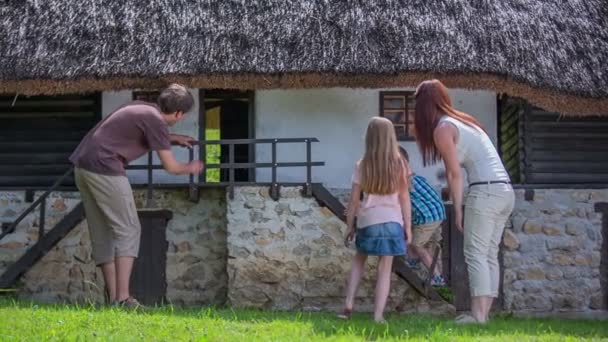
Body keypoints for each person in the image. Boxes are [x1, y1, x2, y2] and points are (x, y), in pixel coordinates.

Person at [69, 84, 204, 308]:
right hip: (104, 167)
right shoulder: (156, 121)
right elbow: (170, 166)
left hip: (83, 167)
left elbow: (142, 132)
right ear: (179, 113)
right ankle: (123, 298)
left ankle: (113, 299)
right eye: (182, 116)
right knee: (129, 228)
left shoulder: (141, 107)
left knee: (103, 230)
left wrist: (172, 138)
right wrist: (190, 168)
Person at [413, 79, 514, 324]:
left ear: (423, 106)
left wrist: (457, 209)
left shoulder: (443, 128)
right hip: (504, 191)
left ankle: (478, 315)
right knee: (489, 253)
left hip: (485, 192)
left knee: (475, 253)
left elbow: (454, 174)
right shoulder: (467, 122)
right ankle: (484, 315)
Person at [339, 117, 412, 323]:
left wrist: (349, 226)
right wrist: (408, 226)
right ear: (391, 137)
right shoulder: (400, 164)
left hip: (368, 220)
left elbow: (354, 201)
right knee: (385, 268)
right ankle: (378, 315)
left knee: (359, 260)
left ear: (369, 137)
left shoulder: (362, 164)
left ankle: (349, 302)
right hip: (392, 221)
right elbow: (405, 198)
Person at [398, 147, 447, 287]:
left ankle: (437, 277)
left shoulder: (406, 181)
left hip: (429, 216)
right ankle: (412, 261)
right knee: (410, 234)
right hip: (430, 214)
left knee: (416, 244)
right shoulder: (415, 178)